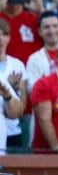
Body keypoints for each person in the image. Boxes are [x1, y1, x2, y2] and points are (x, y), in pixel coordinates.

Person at [0, 19, 26, 154]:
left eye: (4, 34)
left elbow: (22, 105)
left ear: (9, 38)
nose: (0, 38)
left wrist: (13, 90)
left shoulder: (18, 65)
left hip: (12, 130)